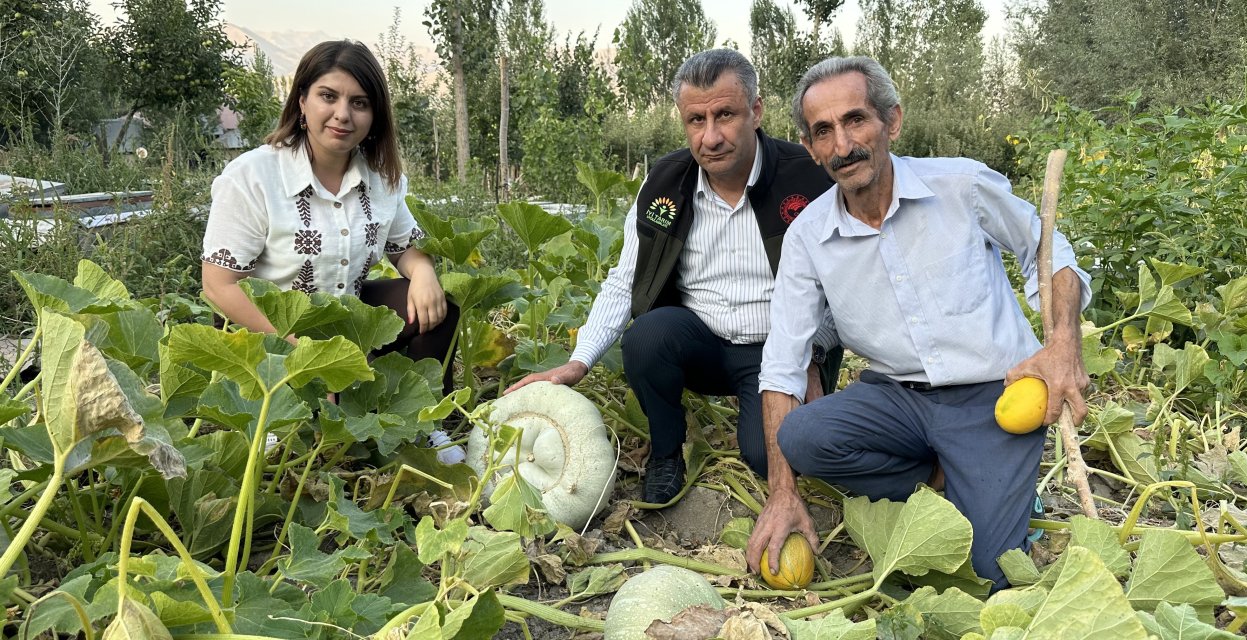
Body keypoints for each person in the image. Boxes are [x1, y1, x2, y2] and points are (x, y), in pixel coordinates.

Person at [745, 56, 1092, 590]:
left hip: (992, 399)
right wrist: (782, 494)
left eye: (855, 120)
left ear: (892, 122)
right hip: (897, 399)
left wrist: (1062, 343)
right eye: (823, 132)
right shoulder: (808, 237)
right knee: (803, 434)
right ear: (810, 147)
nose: (843, 146)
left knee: (985, 573)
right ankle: (940, 476)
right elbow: (781, 365)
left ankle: (980, 478)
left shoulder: (961, 186)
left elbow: (1047, 250)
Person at [505, 49, 840, 504]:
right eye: (696, 120)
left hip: (779, 349)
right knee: (646, 337)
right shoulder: (664, 183)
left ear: (756, 112)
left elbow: (846, 284)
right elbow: (625, 280)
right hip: (698, 341)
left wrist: (813, 353)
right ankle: (666, 453)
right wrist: (579, 360)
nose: (711, 136)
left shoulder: (809, 179)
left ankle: (767, 418)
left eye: (725, 115)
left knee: (770, 457)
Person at [201, 40, 458, 391]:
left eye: (359, 103)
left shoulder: (382, 180)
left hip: (338, 317)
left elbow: (404, 248)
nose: (343, 114)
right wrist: (298, 350)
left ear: (374, 115)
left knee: (440, 311)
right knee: (303, 429)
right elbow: (219, 286)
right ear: (302, 100)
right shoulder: (252, 176)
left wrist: (424, 271)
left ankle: (425, 420)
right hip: (261, 330)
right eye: (328, 96)